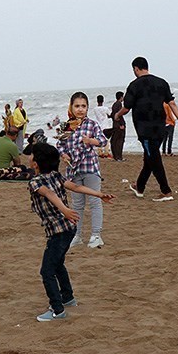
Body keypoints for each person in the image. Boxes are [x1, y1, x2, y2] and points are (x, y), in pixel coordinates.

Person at [27, 142, 115, 321]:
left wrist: (65, 210)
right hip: (68, 228)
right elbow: (75, 187)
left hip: (59, 230)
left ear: (36, 163)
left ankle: (57, 309)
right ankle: (68, 297)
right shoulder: (56, 176)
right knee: (58, 264)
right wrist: (98, 194)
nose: (29, 157)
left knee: (47, 271)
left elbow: (51, 195)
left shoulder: (35, 181)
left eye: (32, 155)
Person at [115, 57, 178, 200]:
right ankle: (139, 187)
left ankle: (166, 191)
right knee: (150, 157)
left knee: (153, 158)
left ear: (136, 68)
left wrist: (117, 115)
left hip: (145, 129)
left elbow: (126, 107)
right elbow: (172, 104)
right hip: (161, 127)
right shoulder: (162, 83)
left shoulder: (134, 85)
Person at [56, 92, 109, 249]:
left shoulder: (91, 124)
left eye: (83, 106)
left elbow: (103, 140)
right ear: (71, 107)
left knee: (94, 201)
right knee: (77, 204)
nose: (80, 109)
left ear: (87, 108)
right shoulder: (66, 126)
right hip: (73, 171)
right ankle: (76, 235)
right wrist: (63, 154)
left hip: (90, 168)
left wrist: (90, 141)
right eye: (77, 106)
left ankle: (96, 235)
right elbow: (60, 145)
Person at [109, 91, 126, 161]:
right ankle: (119, 157)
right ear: (121, 97)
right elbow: (120, 115)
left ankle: (116, 156)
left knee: (114, 141)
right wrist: (121, 124)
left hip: (115, 124)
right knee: (120, 141)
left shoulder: (114, 104)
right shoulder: (119, 104)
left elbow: (113, 115)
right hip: (119, 125)